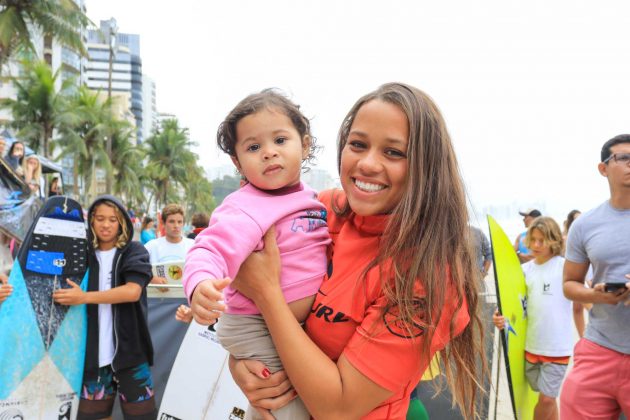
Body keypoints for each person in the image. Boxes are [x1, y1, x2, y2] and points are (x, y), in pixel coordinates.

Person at [190, 83, 486, 420]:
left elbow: (339, 408)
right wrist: (243, 365)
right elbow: (243, 297)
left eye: (393, 152)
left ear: (426, 166)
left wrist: (266, 291)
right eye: (358, 145)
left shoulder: (429, 277)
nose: (368, 164)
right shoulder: (322, 212)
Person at [183, 89, 330, 420]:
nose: (268, 153)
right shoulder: (245, 206)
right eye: (253, 147)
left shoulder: (311, 198)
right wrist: (200, 284)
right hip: (256, 325)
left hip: (289, 327)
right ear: (237, 162)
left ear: (304, 144)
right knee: (286, 407)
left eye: (280, 140)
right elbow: (209, 247)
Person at [52, 195, 156, 420]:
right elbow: (51, 287)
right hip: (91, 358)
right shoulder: (80, 255)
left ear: (122, 223)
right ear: (91, 222)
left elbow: (132, 291)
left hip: (131, 356)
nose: (106, 225)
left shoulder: (135, 251)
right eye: (100, 218)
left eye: (112, 219)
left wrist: (84, 297)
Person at [560, 134, 630, 419]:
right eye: (624, 158)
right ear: (603, 168)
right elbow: (569, 284)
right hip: (600, 347)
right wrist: (597, 295)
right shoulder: (585, 225)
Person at [493, 217, 577, 420]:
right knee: (545, 397)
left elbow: (586, 289)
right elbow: (512, 308)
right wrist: (500, 317)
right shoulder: (523, 271)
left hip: (558, 349)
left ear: (555, 241)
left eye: (543, 240)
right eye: (534, 239)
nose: (537, 245)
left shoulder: (565, 268)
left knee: (546, 400)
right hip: (531, 347)